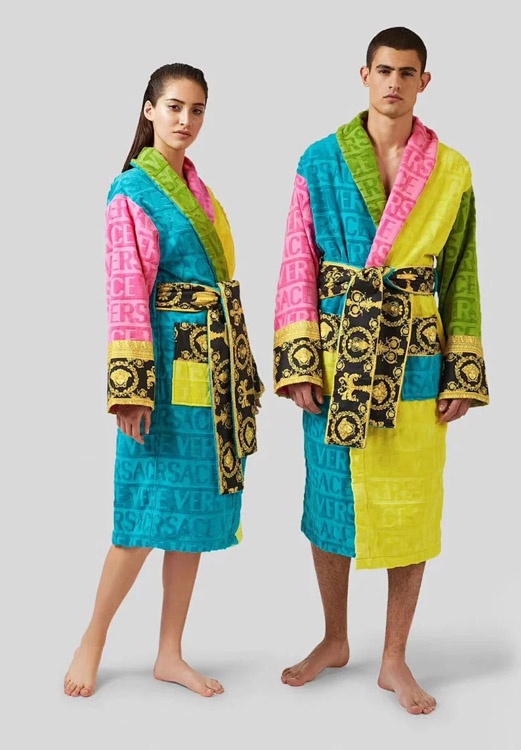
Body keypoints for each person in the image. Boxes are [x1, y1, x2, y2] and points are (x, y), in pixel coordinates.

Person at [272, 26, 489, 715]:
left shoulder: (451, 170)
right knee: (330, 499)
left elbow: (459, 275)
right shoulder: (319, 159)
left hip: (415, 361)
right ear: (363, 75)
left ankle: (394, 657)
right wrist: (298, 360)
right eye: (383, 70)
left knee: (411, 506)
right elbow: (297, 260)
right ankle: (335, 638)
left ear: (424, 81)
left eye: (407, 72)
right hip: (337, 355)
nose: (394, 82)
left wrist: (461, 372)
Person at [64, 63, 263, 699]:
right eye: (175, 106)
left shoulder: (198, 189)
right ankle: (93, 637)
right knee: (143, 513)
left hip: (211, 370)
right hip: (162, 376)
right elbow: (126, 290)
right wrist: (131, 389)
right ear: (149, 109)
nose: (186, 120)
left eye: (197, 109)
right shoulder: (132, 189)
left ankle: (170, 653)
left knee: (191, 513)